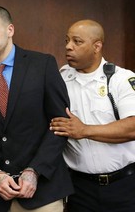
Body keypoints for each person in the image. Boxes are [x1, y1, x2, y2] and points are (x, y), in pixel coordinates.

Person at [0, 5, 73, 212]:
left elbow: (60, 126)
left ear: (10, 30)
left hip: (43, 193)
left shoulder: (43, 65)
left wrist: (35, 171)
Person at [50, 19, 135, 212]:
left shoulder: (121, 79)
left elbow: (133, 127)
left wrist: (84, 130)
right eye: (67, 41)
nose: (68, 47)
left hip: (124, 186)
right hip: (79, 189)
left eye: (77, 42)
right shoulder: (60, 79)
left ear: (97, 46)